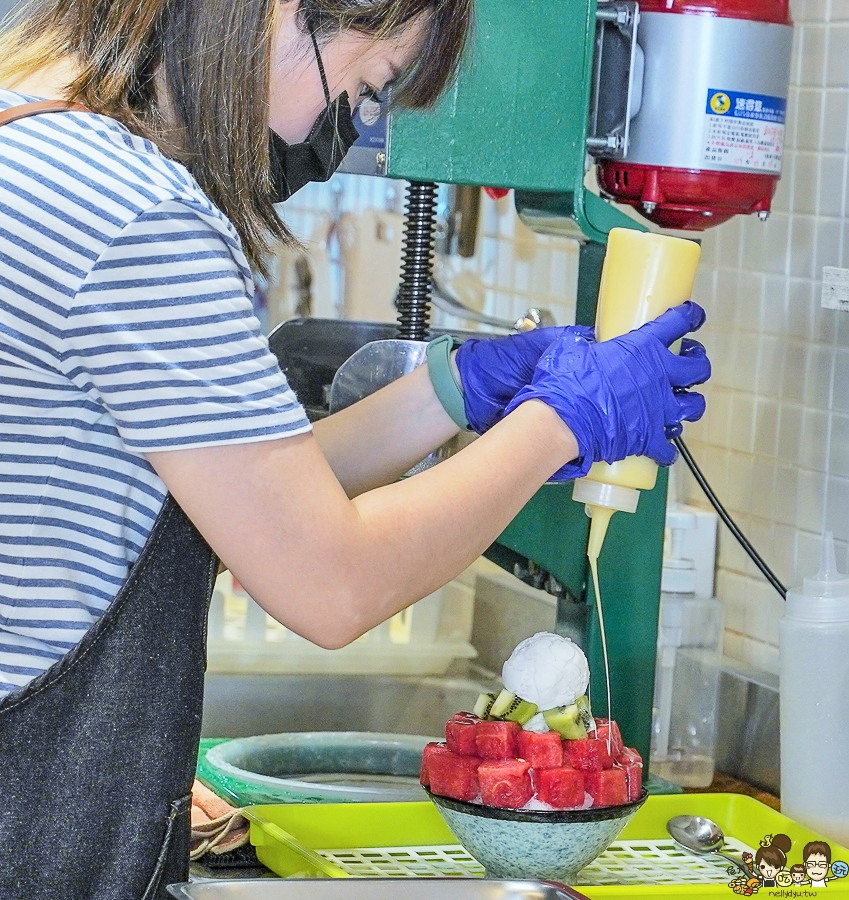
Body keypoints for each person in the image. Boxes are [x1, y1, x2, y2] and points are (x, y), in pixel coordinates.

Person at [0, 0, 711, 897]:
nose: (337, 135)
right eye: (368, 88)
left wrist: (450, 393)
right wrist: (562, 423)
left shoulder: (35, 142)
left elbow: (232, 501)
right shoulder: (133, 216)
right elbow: (326, 582)